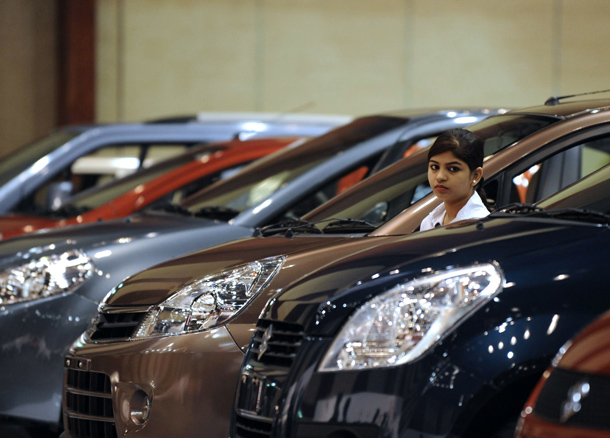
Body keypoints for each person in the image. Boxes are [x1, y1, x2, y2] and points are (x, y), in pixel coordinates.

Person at [420, 128, 490, 231]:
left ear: (475, 175)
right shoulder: (429, 221)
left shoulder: (480, 227)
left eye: (453, 169)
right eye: (434, 167)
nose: (440, 177)